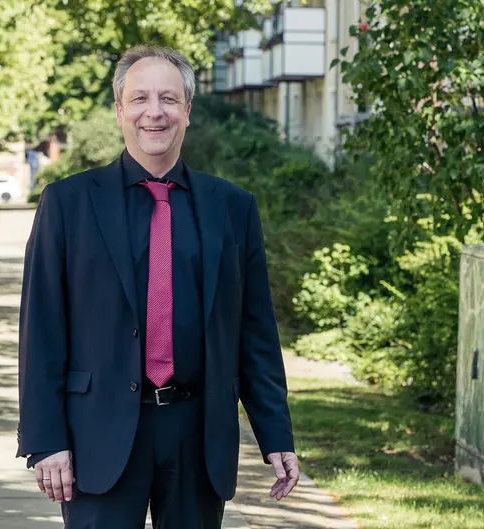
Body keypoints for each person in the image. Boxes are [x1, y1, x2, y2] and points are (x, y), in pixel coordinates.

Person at [16, 44, 299, 528]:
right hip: (96, 437)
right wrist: (45, 440)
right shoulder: (68, 203)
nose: (155, 112)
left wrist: (276, 435)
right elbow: (40, 330)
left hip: (198, 435)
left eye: (168, 99)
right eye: (140, 98)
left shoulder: (232, 207)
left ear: (187, 111)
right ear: (120, 110)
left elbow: (255, 332)